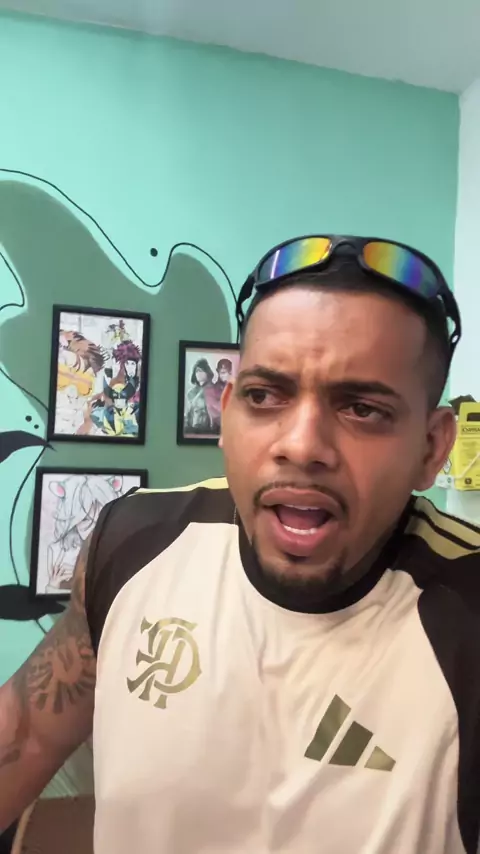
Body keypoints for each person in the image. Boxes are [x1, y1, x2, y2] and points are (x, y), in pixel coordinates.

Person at [0, 235, 478, 854]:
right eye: (264, 396)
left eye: (362, 408)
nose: (301, 445)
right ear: (225, 414)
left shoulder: (465, 615)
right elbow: (28, 736)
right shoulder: (135, 541)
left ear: (433, 448)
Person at [183, 356, 215, 434]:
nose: (199, 374)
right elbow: (187, 413)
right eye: (197, 371)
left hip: (210, 428)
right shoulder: (191, 393)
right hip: (193, 427)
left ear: (207, 372)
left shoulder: (215, 390)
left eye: (201, 371)